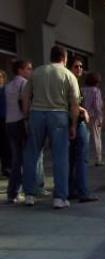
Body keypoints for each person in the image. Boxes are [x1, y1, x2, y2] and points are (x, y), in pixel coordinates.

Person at [21, 45, 80, 208]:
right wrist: (73, 124)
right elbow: (75, 104)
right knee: (60, 156)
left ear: (51, 56)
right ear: (65, 58)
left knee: (31, 154)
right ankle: (60, 197)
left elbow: (25, 95)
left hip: (37, 114)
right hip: (59, 115)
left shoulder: (37, 72)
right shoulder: (69, 75)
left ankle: (29, 195)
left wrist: (26, 115)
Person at [68, 58, 98, 202]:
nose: (79, 68)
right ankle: (82, 192)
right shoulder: (70, 81)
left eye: (81, 66)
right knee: (81, 159)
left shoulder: (76, 83)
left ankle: (72, 189)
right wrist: (83, 110)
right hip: (76, 123)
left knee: (73, 159)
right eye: (76, 66)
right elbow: (71, 103)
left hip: (74, 123)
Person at [4, 60, 32, 203]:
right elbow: (23, 102)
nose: (30, 71)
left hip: (9, 123)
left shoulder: (8, 85)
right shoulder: (24, 83)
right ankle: (19, 190)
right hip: (20, 122)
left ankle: (12, 192)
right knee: (24, 159)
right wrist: (27, 115)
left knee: (16, 158)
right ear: (20, 70)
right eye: (28, 68)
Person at [82, 72, 104, 166]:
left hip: (83, 115)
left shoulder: (82, 89)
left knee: (84, 138)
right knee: (96, 138)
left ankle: (83, 158)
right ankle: (98, 159)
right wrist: (100, 118)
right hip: (94, 116)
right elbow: (97, 106)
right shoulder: (96, 91)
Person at [0, 69, 11, 177]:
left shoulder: (6, 90)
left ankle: (6, 167)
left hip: (5, 119)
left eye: (1, 77)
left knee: (6, 145)